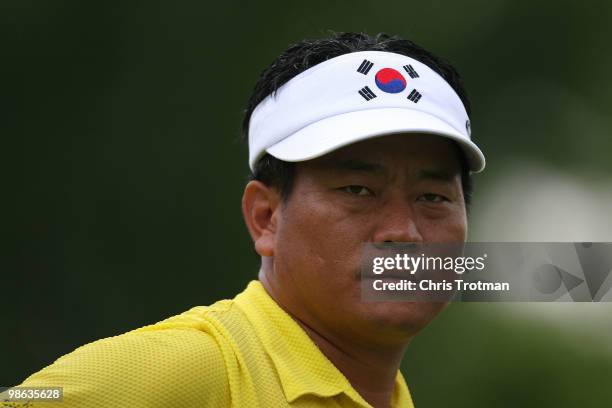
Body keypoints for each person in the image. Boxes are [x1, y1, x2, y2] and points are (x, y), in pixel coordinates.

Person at [10, 32, 485, 408]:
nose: (403, 232)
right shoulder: (177, 372)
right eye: (358, 191)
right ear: (266, 218)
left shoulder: (387, 395)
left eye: (432, 196)